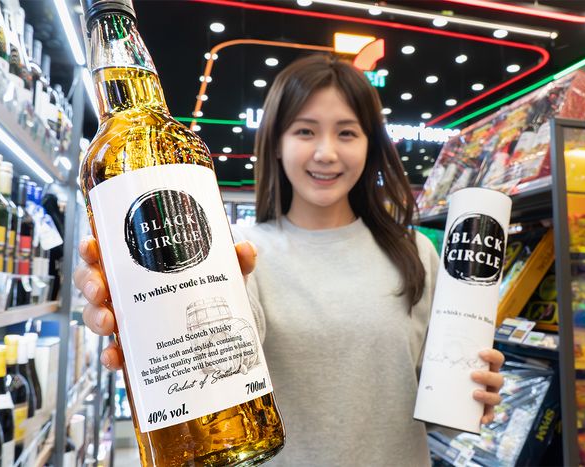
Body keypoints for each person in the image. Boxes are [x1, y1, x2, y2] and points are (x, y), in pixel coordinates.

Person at [74, 54, 504, 466]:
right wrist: (139, 304)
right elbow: (215, 360)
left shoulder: (416, 252)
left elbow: (431, 404)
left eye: (347, 133)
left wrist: (469, 396)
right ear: (277, 143)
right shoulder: (237, 252)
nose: (326, 152)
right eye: (305, 131)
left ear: (370, 145)